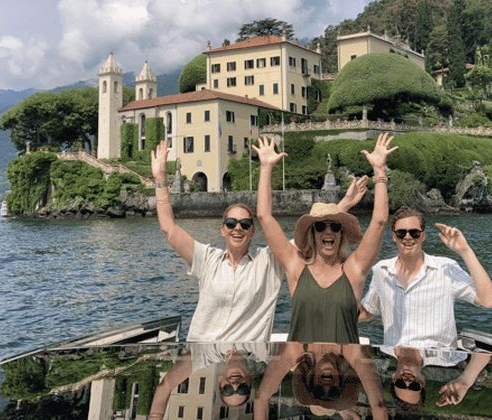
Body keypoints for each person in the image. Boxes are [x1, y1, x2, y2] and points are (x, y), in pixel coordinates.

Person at [151, 140, 369, 342]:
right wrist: (160, 179)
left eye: (245, 224)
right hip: (202, 353)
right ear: (223, 229)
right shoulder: (206, 259)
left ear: (253, 231)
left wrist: (344, 205)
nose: (238, 228)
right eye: (231, 223)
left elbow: (315, 233)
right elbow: (169, 229)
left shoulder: (268, 263)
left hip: (246, 360)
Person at [253, 133, 396, 344]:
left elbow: (380, 222)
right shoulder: (296, 266)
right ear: (312, 233)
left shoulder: (354, 269)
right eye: (320, 226)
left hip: (345, 363)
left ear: (341, 233)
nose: (328, 232)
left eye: (335, 227)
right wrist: (266, 168)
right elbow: (264, 217)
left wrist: (379, 171)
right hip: (302, 363)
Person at [360, 206, 492, 347]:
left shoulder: (446, 268)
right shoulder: (381, 270)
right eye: (401, 233)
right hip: (395, 357)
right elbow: (368, 312)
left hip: (438, 358)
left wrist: (465, 251)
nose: (407, 237)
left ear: (423, 236)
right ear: (394, 237)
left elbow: (490, 301)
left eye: (414, 233)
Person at [254, 342, 388, 420]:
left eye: (318, 391)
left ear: (310, 380)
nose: (326, 387)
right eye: (334, 393)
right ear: (341, 381)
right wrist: (343, 410)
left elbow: (261, 398)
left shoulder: (294, 352)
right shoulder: (353, 354)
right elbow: (379, 405)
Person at [385, 345, 492, 410]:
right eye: (414, 386)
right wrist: (465, 381)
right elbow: (484, 348)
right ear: (422, 382)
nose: (407, 382)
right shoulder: (447, 357)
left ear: (393, 377)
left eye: (400, 384)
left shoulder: (384, 344)